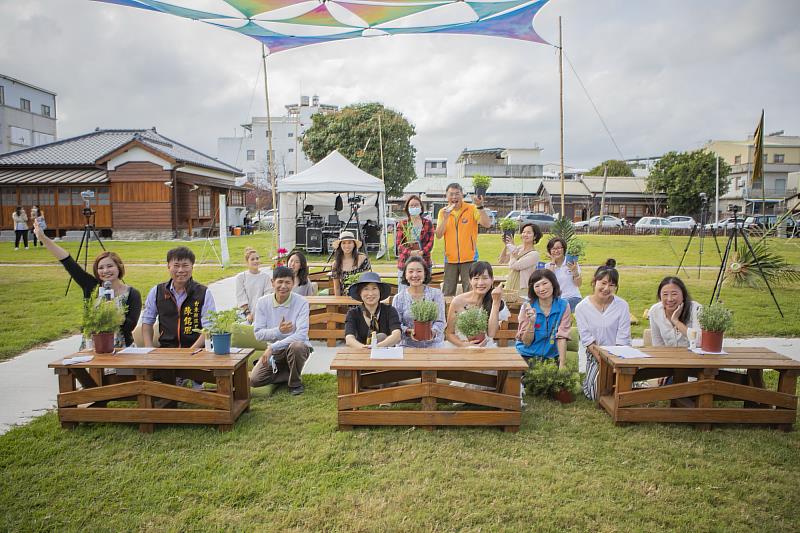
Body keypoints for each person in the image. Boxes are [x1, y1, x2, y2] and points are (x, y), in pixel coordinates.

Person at [33, 219, 142, 348]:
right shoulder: (91, 286)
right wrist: (43, 238)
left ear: (119, 267)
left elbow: (130, 326)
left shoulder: (132, 294)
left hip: (121, 348)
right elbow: (67, 261)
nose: (105, 271)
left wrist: (113, 310)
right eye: (100, 268)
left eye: (110, 266)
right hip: (92, 347)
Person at [574, 259, 631, 401]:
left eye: (612, 285)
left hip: (620, 356)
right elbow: (588, 340)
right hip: (596, 355)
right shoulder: (582, 307)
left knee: (622, 392)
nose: (607, 288)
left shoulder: (622, 305)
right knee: (596, 395)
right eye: (603, 283)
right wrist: (605, 364)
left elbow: (623, 338)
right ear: (594, 282)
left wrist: (616, 364)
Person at [251, 266, 312, 395]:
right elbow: (258, 334)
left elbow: (301, 335)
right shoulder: (262, 303)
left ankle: (295, 383)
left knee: (297, 347)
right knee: (255, 380)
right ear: (272, 282)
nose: (283, 286)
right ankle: (287, 373)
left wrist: (272, 346)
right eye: (280, 282)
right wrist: (278, 332)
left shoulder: (302, 302)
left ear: (293, 283)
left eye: (287, 282)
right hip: (275, 352)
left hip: (294, 347)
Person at [141, 246, 216, 349]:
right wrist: (149, 348)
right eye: (176, 266)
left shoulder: (203, 293)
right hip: (167, 350)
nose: (180, 270)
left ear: (192, 267)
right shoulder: (157, 291)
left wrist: (191, 351)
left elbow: (209, 327)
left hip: (197, 352)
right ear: (168, 267)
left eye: (185, 265)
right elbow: (147, 322)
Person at [435, 183, 491, 296]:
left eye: (457, 194)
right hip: (450, 259)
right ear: (447, 196)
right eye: (451, 194)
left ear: (462, 195)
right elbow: (439, 235)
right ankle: (448, 313)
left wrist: (480, 207)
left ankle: (470, 313)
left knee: (471, 291)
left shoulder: (472, 209)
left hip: (470, 258)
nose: (454, 197)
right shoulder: (443, 212)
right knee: (447, 292)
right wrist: (446, 218)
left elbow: (487, 224)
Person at [515, 269, 572, 368]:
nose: (541, 289)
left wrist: (562, 364)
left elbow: (562, 336)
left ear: (553, 284)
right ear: (533, 289)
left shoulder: (563, 306)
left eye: (545, 283)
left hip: (551, 357)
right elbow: (526, 342)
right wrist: (531, 322)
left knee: (556, 380)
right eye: (537, 286)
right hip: (526, 355)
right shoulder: (527, 307)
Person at [445, 261, 509, 348]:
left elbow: (491, 333)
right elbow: (449, 334)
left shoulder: (496, 300)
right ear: (470, 280)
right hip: (461, 347)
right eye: (476, 278)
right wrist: (465, 345)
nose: (480, 283)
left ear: (492, 280)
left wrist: (496, 303)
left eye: (485, 278)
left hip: (486, 348)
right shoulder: (458, 301)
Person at [392, 256, 446, 348]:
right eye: (411, 271)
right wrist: (408, 331)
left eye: (419, 271)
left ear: (425, 273)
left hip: (433, 345)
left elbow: (440, 321)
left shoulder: (436, 294)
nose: (415, 275)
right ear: (405, 274)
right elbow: (396, 325)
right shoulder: (398, 298)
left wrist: (433, 332)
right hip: (407, 346)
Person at [345, 272, 402, 348]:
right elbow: (349, 339)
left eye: (374, 288)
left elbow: (397, 335)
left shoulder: (390, 310)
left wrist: (376, 347)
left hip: (386, 353)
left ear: (380, 291)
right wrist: (364, 348)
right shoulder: (353, 313)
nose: (370, 293)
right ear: (360, 293)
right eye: (366, 289)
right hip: (361, 353)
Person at [648, 276, 702, 347]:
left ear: (683, 295)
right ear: (659, 297)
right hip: (668, 356)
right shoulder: (655, 311)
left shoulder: (696, 309)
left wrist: (676, 321)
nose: (669, 299)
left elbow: (699, 341)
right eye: (665, 294)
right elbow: (657, 344)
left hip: (693, 356)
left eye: (674, 294)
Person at [395, 195, 434, 293]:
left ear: (421, 207)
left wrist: (422, 252)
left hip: (424, 261)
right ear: (407, 208)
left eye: (416, 205)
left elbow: (430, 242)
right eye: (411, 206)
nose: (414, 207)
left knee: (423, 292)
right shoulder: (402, 224)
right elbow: (399, 245)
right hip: (405, 263)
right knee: (404, 293)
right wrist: (410, 253)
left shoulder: (428, 223)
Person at [498, 223, 542, 299]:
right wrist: (507, 245)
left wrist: (513, 250)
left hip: (523, 289)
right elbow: (502, 260)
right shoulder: (519, 248)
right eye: (524, 232)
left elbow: (515, 266)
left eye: (529, 233)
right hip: (510, 284)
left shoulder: (534, 254)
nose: (525, 234)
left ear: (535, 236)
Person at [235, 247, 272, 323]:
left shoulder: (266, 277)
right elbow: (241, 297)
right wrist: (248, 313)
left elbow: (267, 296)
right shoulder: (241, 277)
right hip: (245, 314)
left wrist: (259, 313)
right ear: (247, 262)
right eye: (252, 259)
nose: (256, 261)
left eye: (257, 258)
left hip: (262, 313)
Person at [545, 237, 582, 311]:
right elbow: (549, 282)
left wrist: (575, 272)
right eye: (553, 249)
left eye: (558, 248)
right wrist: (553, 261)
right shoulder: (548, 266)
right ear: (549, 251)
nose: (556, 251)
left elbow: (578, 284)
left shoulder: (571, 263)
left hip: (572, 298)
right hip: (556, 300)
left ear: (564, 249)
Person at [330, 230, 371, 296]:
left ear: (354, 244)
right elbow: (337, 287)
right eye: (344, 243)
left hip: (362, 298)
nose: (347, 245)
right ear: (340, 245)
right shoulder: (336, 264)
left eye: (349, 243)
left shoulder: (363, 258)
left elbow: (367, 282)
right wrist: (339, 304)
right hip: (345, 300)